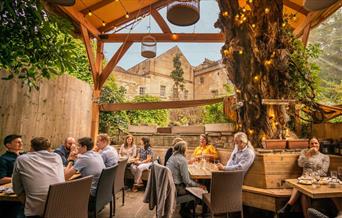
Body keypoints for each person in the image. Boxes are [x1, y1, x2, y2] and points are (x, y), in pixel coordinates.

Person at [12, 137, 65, 217]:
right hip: (60, 206)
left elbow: (16, 187)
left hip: (37, 210)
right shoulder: (57, 157)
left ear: (31, 147)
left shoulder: (22, 159)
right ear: (49, 148)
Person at [278, 137, 330, 218]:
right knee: (303, 193)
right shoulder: (304, 152)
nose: (314, 145)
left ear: (319, 145)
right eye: (312, 143)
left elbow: (323, 172)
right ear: (309, 145)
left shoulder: (325, 157)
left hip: (317, 181)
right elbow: (300, 164)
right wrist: (308, 154)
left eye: (316, 143)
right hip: (304, 180)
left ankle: (287, 207)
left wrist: (310, 176)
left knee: (300, 186)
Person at [166, 140, 206, 217]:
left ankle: (184, 210)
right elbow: (186, 181)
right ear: (183, 150)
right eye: (186, 148)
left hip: (170, 186)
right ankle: (186, 211)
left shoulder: (172, 157)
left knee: (193, 185)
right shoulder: (182, 159)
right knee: (201, 191)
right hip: (176, 188)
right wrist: (199, 185)